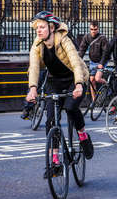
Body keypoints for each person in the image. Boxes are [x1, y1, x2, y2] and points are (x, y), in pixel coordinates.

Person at [26, 11, 94, 177]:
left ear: (51, 28)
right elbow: (34, 67)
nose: (39, 31)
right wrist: (32, 88)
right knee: (51, 120)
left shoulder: (64, 40)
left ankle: (83, 136)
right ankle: (55, 162)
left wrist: (79, 84)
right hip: (54, 82)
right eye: (37, 28)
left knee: (71, 109)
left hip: (74, 79)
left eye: (42, 27)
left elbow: (76, 64)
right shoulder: (37, 44)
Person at [78, 21, 110, 101]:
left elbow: (106, 53)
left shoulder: (102, 38)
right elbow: (82, 50)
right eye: (91, 29)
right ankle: (94, 100)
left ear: (98, 29)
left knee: (97, 78)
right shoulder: (87, 37)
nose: (93, 31)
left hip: (101, 61)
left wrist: (101, 63)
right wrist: (78, 61)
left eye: (95, 29)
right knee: (92, 80)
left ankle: (107, 84)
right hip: (92, 61)